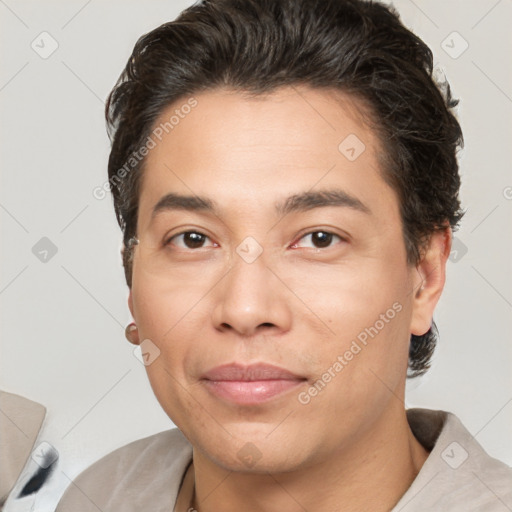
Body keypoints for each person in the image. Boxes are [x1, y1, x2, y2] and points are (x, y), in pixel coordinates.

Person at [56, 0, 512, 510]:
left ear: (425, 275)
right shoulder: (99, 495)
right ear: (133, 278)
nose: (246, 310)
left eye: (319, 239)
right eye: (192, 239)